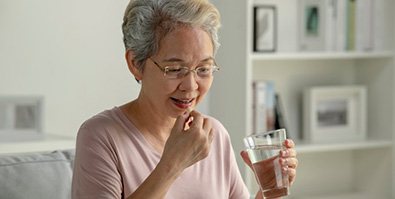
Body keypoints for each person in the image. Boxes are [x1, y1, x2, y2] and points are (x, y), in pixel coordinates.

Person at [71, 0, 298, 198]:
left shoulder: (214, 135)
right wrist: (173, 164)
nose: (191, 86)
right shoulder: (101, 136)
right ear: (135, 63)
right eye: (174, 69)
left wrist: (269, 192)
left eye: (203, 69)